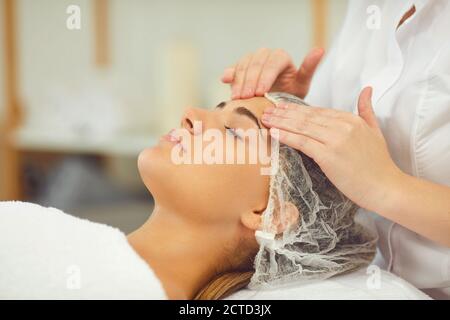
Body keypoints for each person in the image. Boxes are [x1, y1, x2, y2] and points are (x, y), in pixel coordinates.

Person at [221, 0, 450, 299]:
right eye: (228, 130)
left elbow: (366, 171)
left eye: (232, 133)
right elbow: (325, 161)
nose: (189, 117)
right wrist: (286, 104)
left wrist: (386, 188)